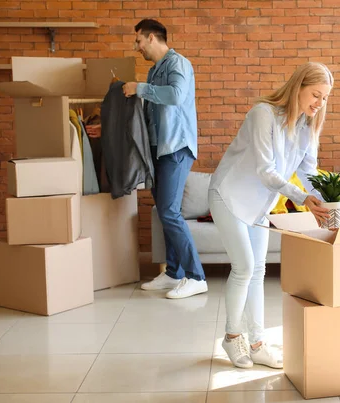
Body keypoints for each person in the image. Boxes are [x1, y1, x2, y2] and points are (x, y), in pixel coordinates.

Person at [208, 62, 333, 369]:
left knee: (259, 270)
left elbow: (307, 171)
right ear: (299, 87)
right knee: (244, 267)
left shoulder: (308, 126)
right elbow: (267, 170)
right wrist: (303, 198)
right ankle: (231, 337)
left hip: (259, 205)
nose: (320, 103)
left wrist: (327, 202)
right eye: (316, 94)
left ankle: (257, 343)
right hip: (228, 196)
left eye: (325, 98)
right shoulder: (262, 114)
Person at [120, 19, 207, 299]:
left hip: (176, 148)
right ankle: (173, 273)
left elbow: (177, 96)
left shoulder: (178, 63)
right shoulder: (154, 70)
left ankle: (196, 276)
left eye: (139, 41)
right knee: (164, 212)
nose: (137, 47)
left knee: (169, 212)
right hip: (158, 150)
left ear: (152, 37)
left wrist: (140, 88)